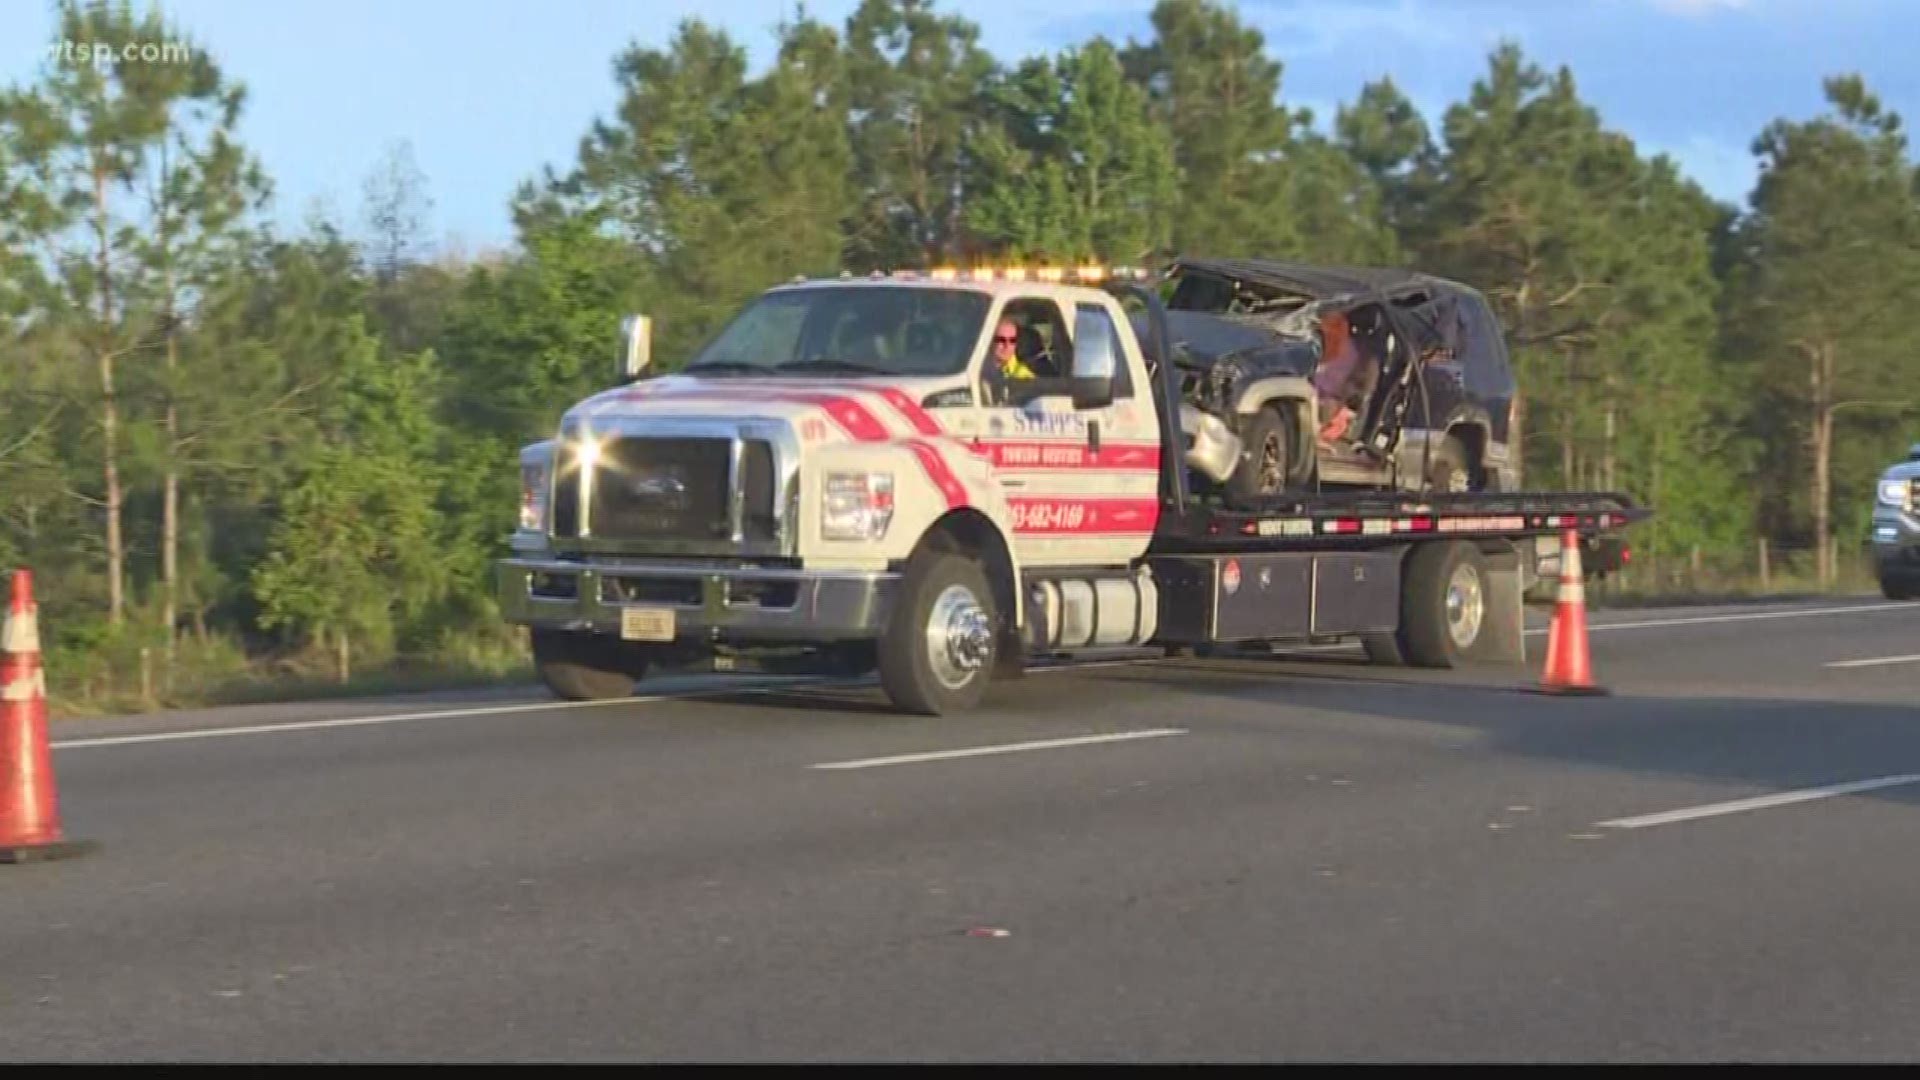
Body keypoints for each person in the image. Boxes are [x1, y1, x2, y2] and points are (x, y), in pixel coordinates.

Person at [983, 317, 1035, 404]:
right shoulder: (976, 370)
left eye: (1012, 340)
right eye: (1001, 340)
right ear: (990, 341)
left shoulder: (1024, 376)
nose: (1007, 345)